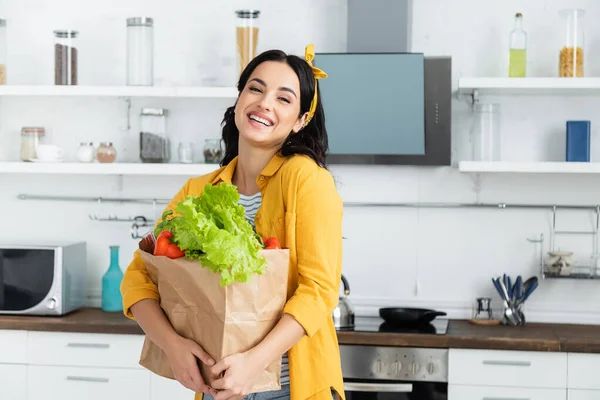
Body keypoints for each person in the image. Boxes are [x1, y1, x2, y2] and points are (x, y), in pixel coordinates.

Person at [120, 44, 344, 400]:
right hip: (217, 387)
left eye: (284, 99)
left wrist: (254, 363)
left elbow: (318, 291)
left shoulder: (307, 179)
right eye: (256, 88)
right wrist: (174, 347)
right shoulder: (198, 190)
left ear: (301, 120)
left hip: (288, 387)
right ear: (239, 99)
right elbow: (138, 278)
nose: (265, 103)